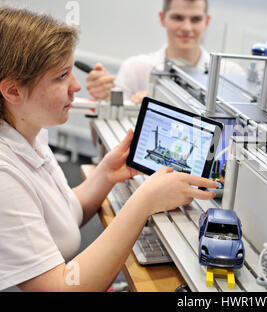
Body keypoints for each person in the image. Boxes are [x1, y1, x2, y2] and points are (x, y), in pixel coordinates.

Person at [0, 6, 217, 292]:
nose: (76, 86)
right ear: (13, 91)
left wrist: (105, 175)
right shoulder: (4, 174)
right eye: (62, 76)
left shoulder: (30, 135)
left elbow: (62, 215)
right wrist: (142, 203)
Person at [86, 0, 242, 104]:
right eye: (178, 18)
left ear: (206, 22)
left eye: (195, 19)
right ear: (162, 18)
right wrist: (105, 100)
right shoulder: (135, 69)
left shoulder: (230, 74)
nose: (187, 28)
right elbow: (101, 143)